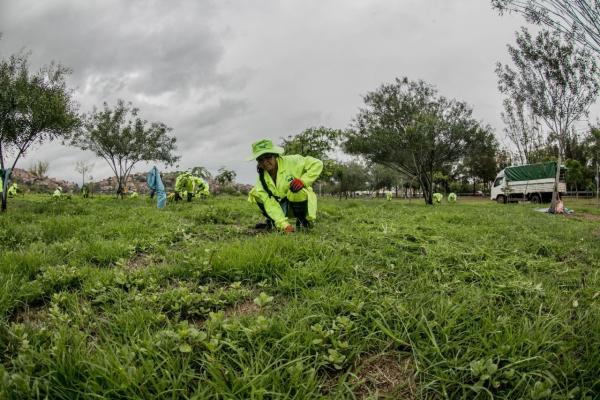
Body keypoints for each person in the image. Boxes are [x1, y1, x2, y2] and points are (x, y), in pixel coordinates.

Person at [247, 139, 323, 233]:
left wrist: (303, 181)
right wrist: (284, 225)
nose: (265, 162)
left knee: (296, 189)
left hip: (297, 202)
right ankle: (272, 222)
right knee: (255, 193)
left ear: (275, 155)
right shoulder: (261, 179)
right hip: (280, 206)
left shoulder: (293, 160)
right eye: (261, 159)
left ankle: (303, 222)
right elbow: (270, 204)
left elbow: (317, 163)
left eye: (268, 157)